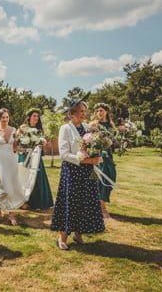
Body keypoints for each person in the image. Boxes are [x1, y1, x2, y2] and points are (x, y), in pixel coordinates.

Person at [51, 99, 105, 250]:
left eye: (84, 111)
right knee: (71, 202)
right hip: (72, 171)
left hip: (87, 173)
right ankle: (62, 237)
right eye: (81, 111)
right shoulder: (65, 129)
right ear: (72, 113)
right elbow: (64, 154)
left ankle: (78, 234)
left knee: (84, 202)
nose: (84, 114)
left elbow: (94, 146)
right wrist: (84, 160)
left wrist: (96, 156)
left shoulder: (87, 127)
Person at [0, 108, 25, 225]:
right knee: (4, 185)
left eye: (7, 117)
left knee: (11, 186)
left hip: (12, 160)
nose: (5, 119)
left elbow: (15, 147)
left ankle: (3, 209)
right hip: (1, 161)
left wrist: (25, 148)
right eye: (3, 117)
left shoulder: (14, 130)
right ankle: (7, 211)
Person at [18, 108, 53, 210]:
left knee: (37, 178)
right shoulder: (23, 128)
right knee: (25, 178)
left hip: (36, 157)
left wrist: (44, 144)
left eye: (37, 116)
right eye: (34, 116)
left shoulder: (39, 130)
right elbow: (17, 140)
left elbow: (42, 144)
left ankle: (38, 202)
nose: (36, 118)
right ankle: (24, 201)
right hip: (26, 156)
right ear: (29, 117)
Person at [92, 103, 118, 219]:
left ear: (106, 112)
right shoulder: (93, 125)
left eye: (101, 110)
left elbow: (114, 142)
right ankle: (102, 208)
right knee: (101, 180)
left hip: (109, 157)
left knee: (111, 177)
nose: (99, 113)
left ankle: (100, 204)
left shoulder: (111, 126)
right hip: (99, 156)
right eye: (97, 111)